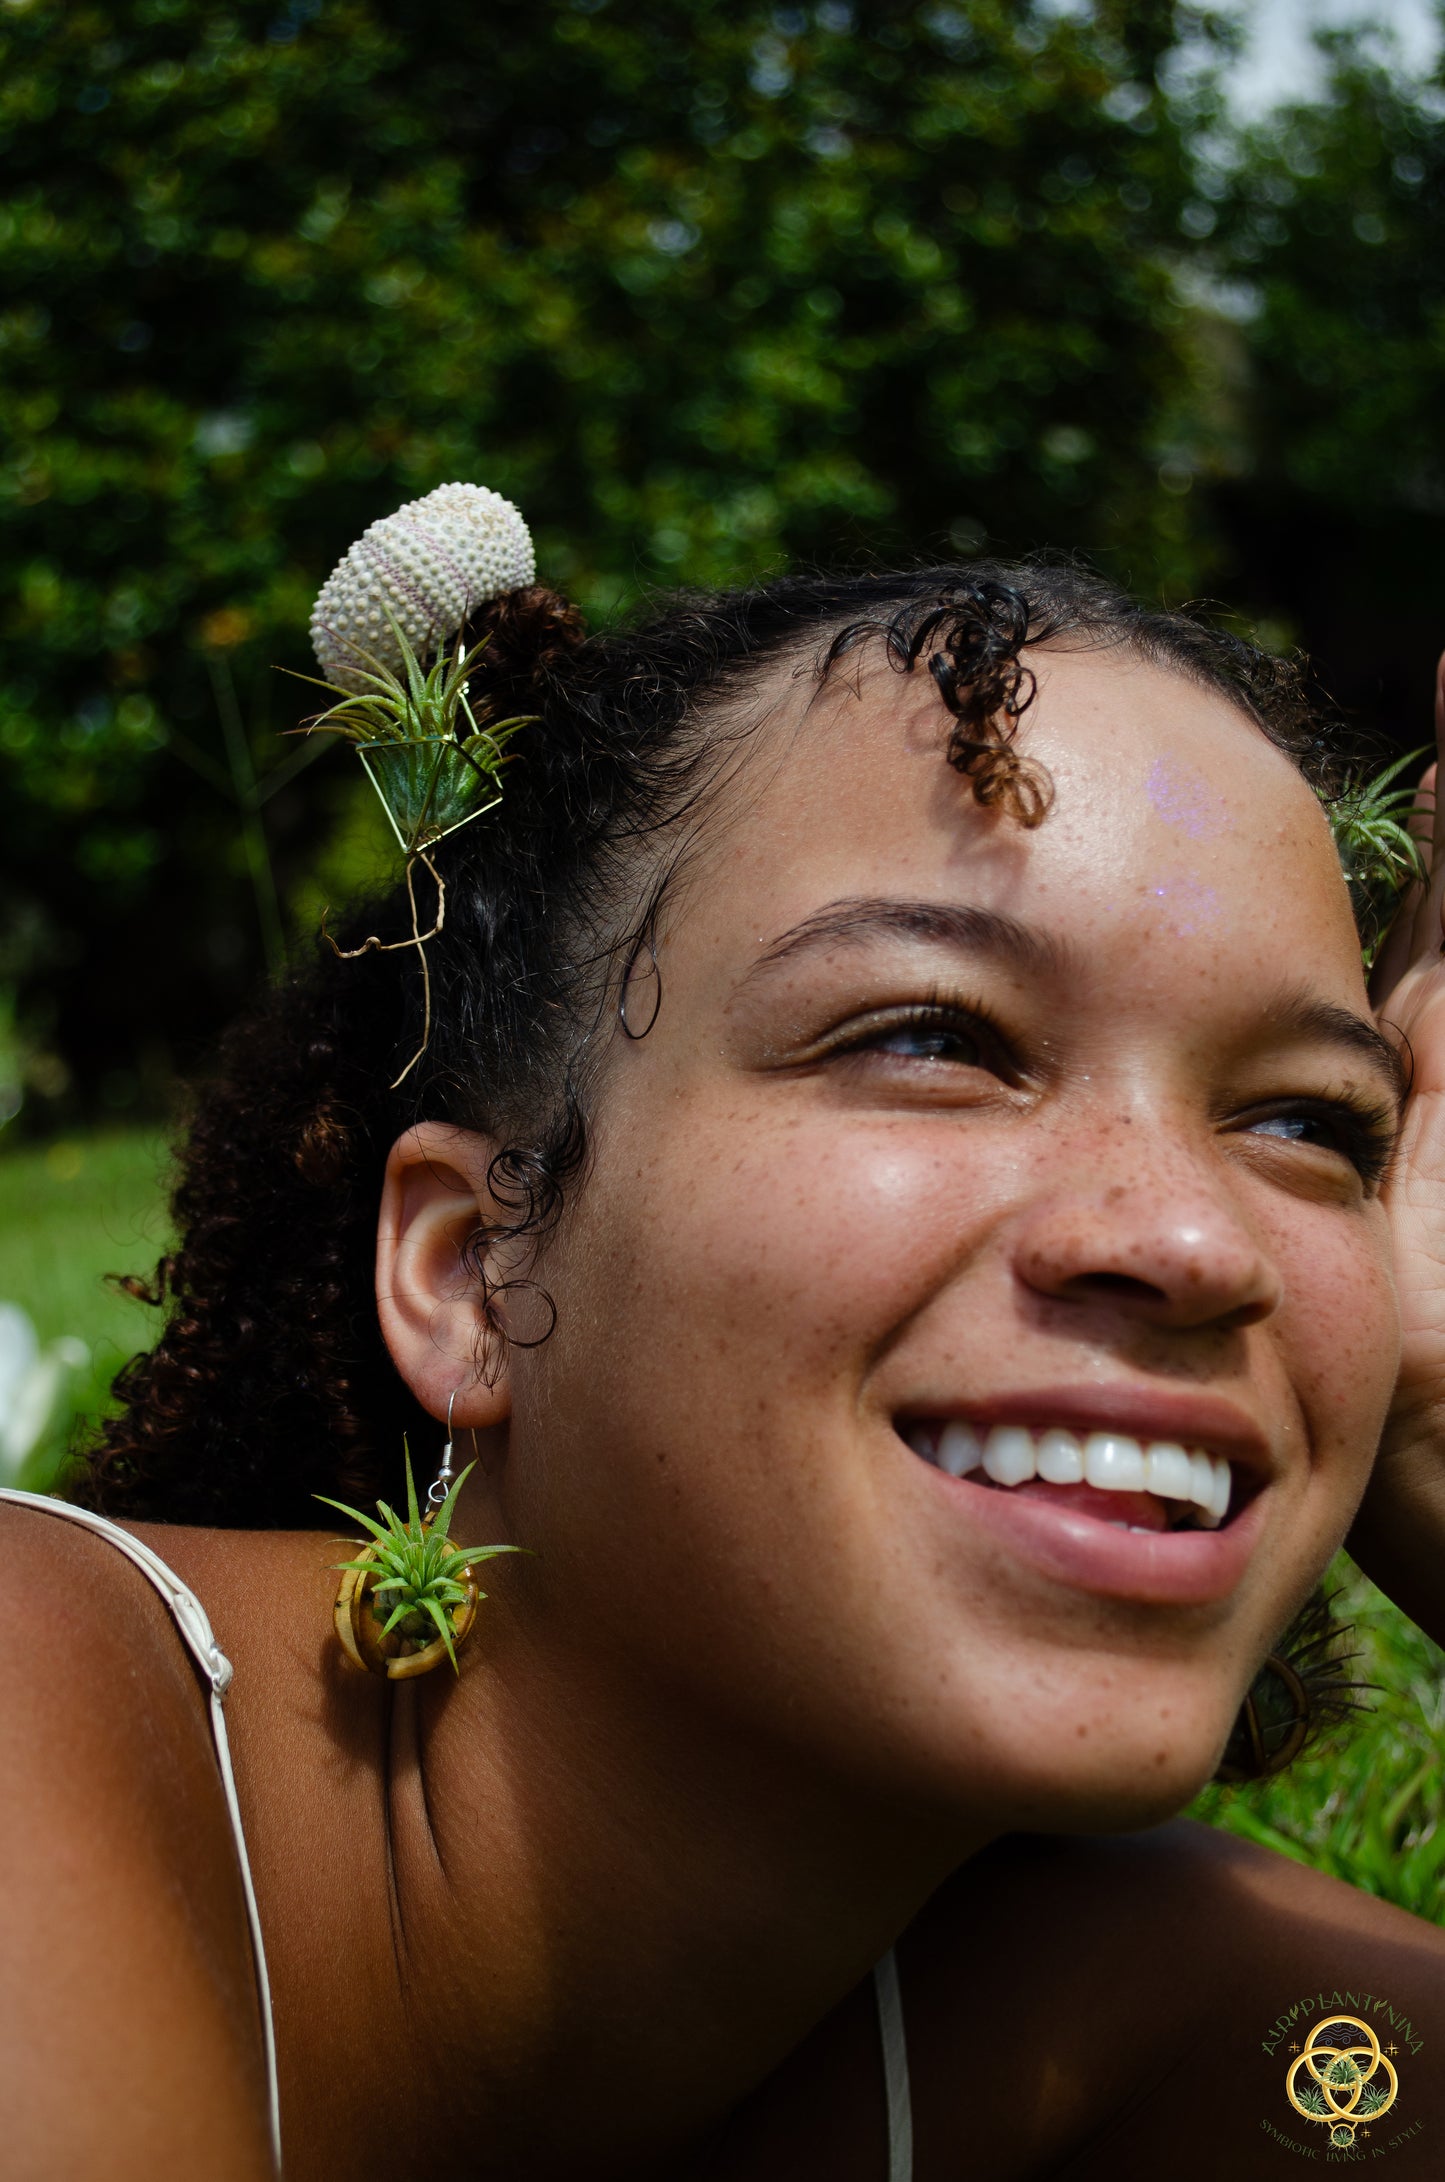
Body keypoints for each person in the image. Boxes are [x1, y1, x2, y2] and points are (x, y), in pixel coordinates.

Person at [5, 530, 1445, 2181]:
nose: (1189, 1239)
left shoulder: (1142, 2010)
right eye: (934, 1037)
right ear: (475, 1268)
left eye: (1309, 1122)